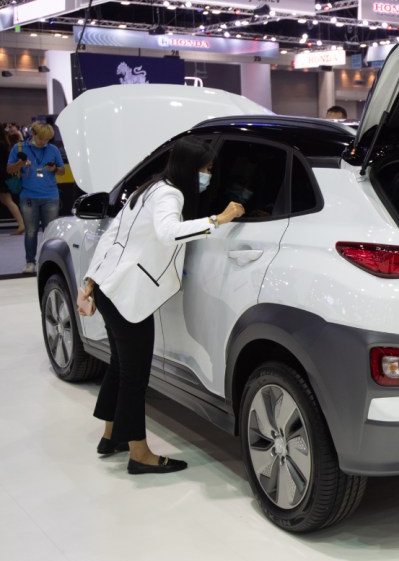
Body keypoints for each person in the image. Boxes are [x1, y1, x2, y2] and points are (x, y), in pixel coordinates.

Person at [77, 137, 245, 474]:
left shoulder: (149, 188)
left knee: (121, 366)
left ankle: (111, 437)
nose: (208, 175)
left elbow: (113, 236)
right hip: (129, 295)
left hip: (111, 287)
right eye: (205, 169)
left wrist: (91, 281)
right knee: (134, 374)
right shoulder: (171, 194)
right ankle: (140, 455)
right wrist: (220, 219)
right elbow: (168, 233)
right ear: (189, 167)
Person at [6, 122, 65, 273]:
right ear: (33, 134)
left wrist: (54, 168)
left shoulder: (52, 149)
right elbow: (9, 169)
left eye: (47, 139)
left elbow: (62, 171)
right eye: (41, 138)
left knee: (50, 232)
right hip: (28, 196)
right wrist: (20, 164)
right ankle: (30, 262)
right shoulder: (19, 148)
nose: (43, 142)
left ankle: (50, 263)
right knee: (31, 231)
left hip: (50, 196)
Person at [0, 126, 25, 235]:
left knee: (7, 200)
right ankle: (21, 224)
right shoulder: (4, 143)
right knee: (7, 200)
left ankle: (21, 224)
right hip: (4, 175)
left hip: (1, 176)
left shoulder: (1, 144)